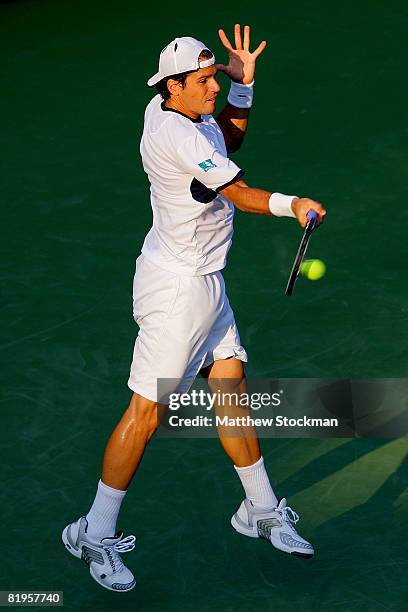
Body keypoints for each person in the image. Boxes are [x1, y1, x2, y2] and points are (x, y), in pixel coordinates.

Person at [62, 25, 326, 592]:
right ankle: (93, 530)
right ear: (174, 86)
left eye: (214, 78)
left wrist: (242, 86)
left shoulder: (178, 109)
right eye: (205, 82)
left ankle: (257, 509)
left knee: (230, 386)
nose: (214, 88)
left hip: (205, 281)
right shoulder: (175, 137)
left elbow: (227, 142)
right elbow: (236, 190)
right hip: (177, 292)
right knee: (147, 414)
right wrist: (293, 204)